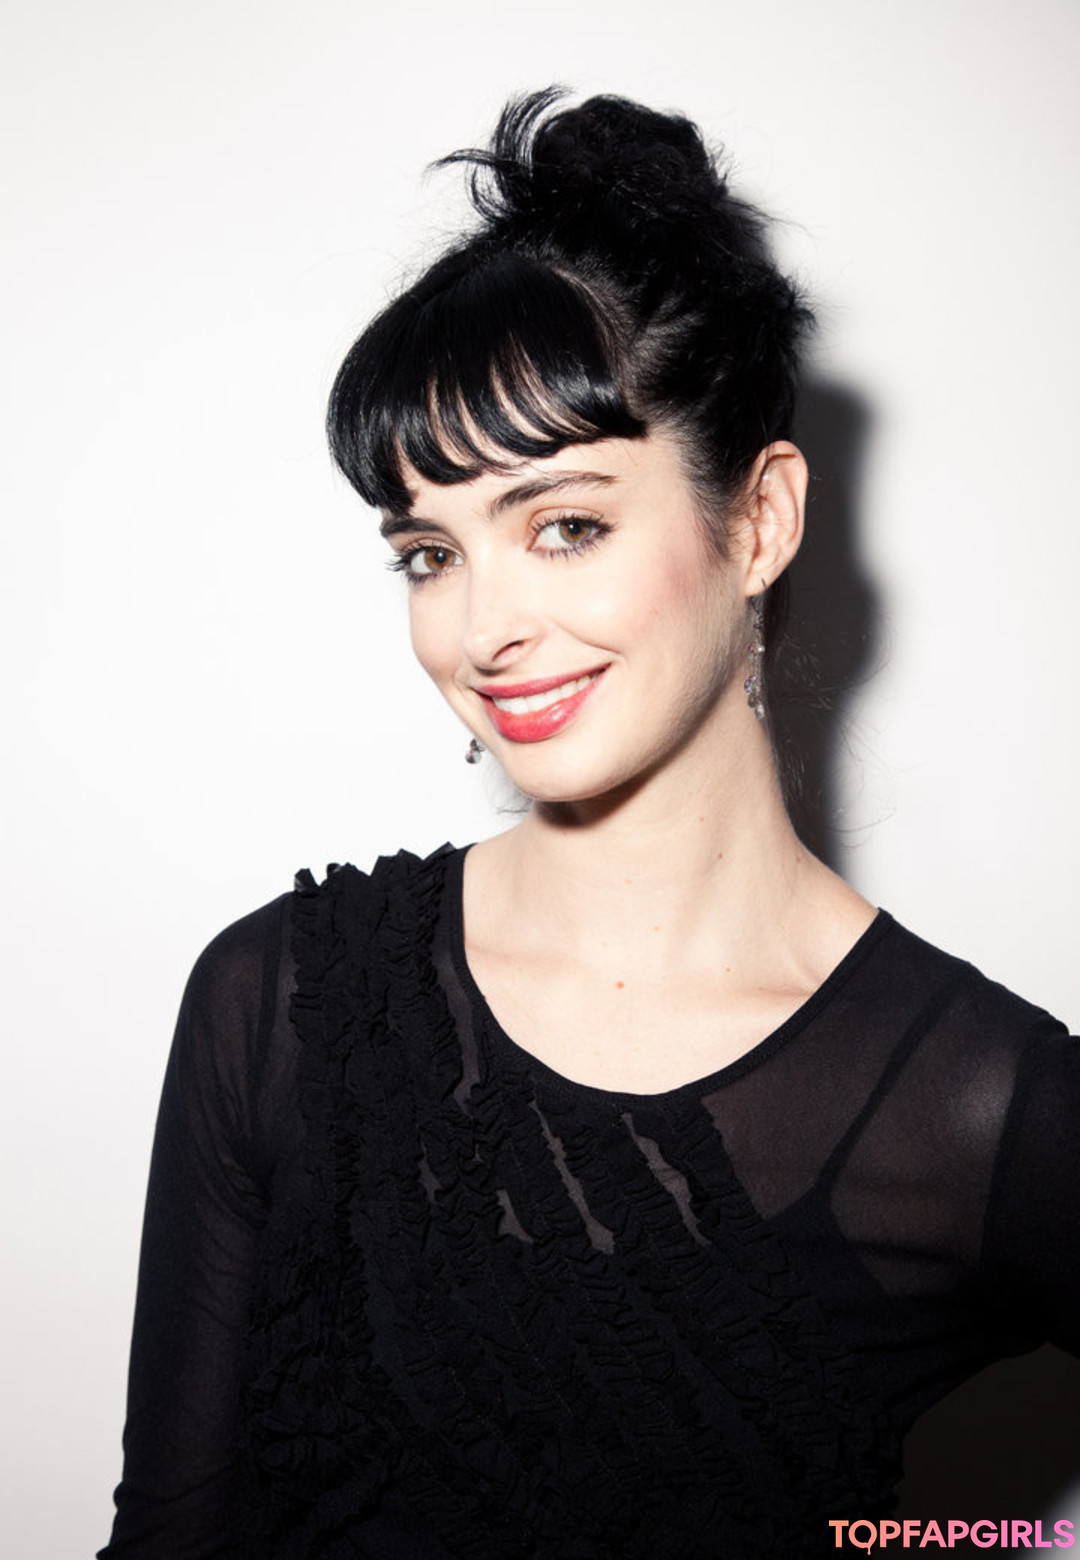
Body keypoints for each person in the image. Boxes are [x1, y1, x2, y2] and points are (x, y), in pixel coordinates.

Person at [98, 90, 1079, 1559]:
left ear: (760, 521)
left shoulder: (986, 1106)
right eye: (430, 553)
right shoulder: (285, 1003)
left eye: (566, 525)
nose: (482, 629)